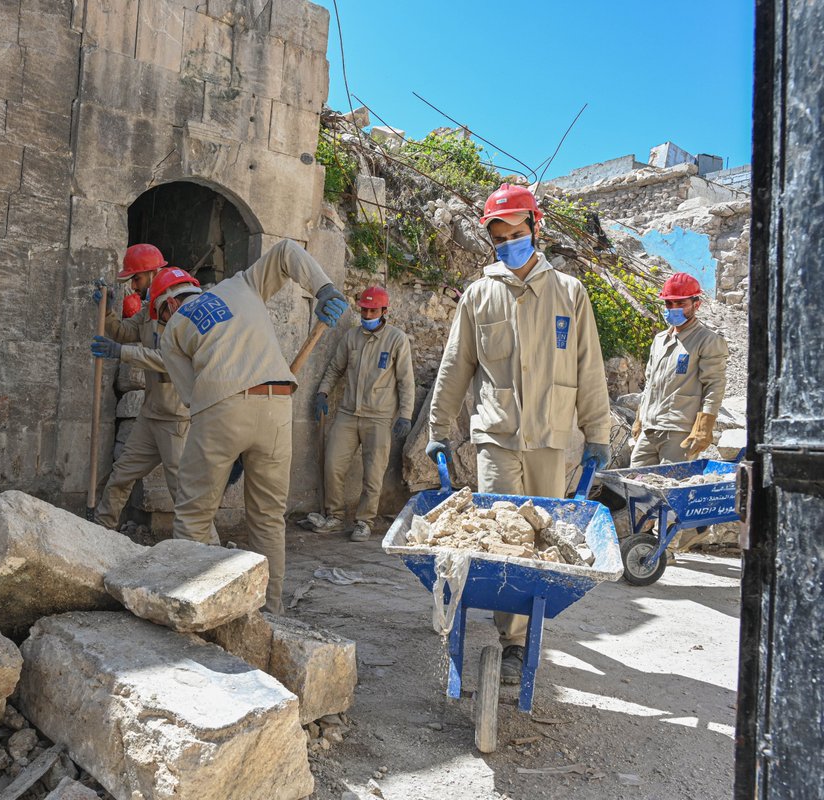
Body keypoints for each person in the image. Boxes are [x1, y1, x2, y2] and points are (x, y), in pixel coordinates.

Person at [425, 183, 612, 684]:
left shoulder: (569, 293)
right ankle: (510, 642)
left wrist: (598, 432)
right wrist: (439, 428)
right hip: (496, 438)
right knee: (503, 539)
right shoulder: (479, 295)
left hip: (551, 439)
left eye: (517, 232)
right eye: (500, 236)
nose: (510, 242)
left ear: (536, 228)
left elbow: (589, 368)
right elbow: (455, 367)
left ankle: (529, 631)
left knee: (540, 541)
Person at [157, 240, 348, 614]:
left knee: (194, 516)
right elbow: (285, 251)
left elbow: (193, 399)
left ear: (166, 306)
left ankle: (200, 610)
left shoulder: (172, 330)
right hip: (278, 406)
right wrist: (323, 288)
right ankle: (270, 614)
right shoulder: (240, 284)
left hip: (220, 408)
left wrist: (226, 449)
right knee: (267, 520)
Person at [89, 244, 195, 533]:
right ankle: (100, 532)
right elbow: (125, 332)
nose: (133, 287)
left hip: (176, 418)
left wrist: (119, 352)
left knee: (183, 492)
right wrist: (107, 311)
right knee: (121, 475)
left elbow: (169, 361)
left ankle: (206, 549)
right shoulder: (151, 308)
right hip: (150, 415)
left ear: (152, 272)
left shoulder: (179, 307)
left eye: (136, 279)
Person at [302, 285, 415, 542]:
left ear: (384, 311)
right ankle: (335, 515)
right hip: (348, 413)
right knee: (332, 464)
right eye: (364, 310)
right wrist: (322, 393)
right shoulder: (351, 338)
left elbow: (406, 382)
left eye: (372, 310)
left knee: (373, 473)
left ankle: (364, 521)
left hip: (379, 417)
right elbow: (334, 369)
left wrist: (405, 415)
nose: (367, 314)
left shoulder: (397, 340)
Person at [631, 272, 728, 466]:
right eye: (669, 304)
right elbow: (650, 383)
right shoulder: (660, 340)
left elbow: (714, 385)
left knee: (669, 488)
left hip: (679, 431)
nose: (673, 309)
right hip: (650, 429)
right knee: (636, 486)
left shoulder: (708, 341)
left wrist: (703, 427)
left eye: (681, 304)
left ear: (696, 305)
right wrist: (640, 417)